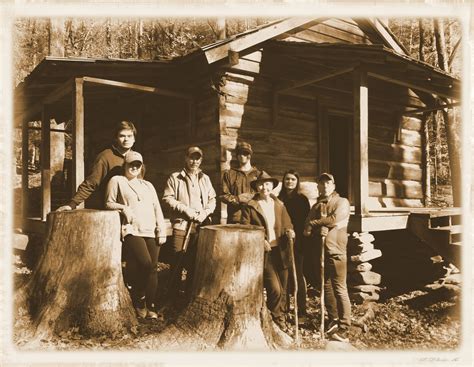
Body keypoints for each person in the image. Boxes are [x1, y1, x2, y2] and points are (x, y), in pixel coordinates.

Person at [105, 151, 167, 319]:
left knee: (153, 268)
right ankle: (139, 298)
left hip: (151, 230)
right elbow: (109, 202)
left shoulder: (148, 185)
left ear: (141, 167)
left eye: (137, 165)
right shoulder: (117, 181)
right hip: (132, 229)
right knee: (145, 263)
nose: (134, 167)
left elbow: (157, 208)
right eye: (131, 164)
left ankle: (151, 307)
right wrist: (123, 208)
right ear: (125, 165)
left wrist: (161, 229)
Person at [241, 171, 295, 330]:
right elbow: (246, 229)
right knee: (275, 288)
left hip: (281, 250)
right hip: (264, 253)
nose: (264, 187)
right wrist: (260, 241)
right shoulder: (250, 206)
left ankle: (281, 319)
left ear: (272, 186)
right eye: (261, 184)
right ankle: (275, 320)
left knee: (284, 288)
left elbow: (288, 224)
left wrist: (290, 232)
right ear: (257, 187)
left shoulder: (279, 205)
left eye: (267, 184)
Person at [162, 146, 216, 303]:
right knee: (177, 261)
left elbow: (212, 199)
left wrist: (205, 213)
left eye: (197, 158)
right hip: (182, 225)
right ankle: (172, 299)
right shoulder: (175, 177)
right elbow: (168, 198)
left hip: (201, 226)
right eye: (191, 158)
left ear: (201, 160)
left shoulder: (205, 178)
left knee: (195, 264)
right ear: (185, 158)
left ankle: (190, 298)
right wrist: (187, 210)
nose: (194, 161)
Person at [304, 173, 351, 342]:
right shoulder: (317, 205)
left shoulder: (342, 202)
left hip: (336, 250)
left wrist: (316, 224)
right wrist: (316, 228)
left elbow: (334, 219)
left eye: (328, 183)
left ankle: (345, 327)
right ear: (318, 187)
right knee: (327, 285)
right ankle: (334, 319)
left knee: (340, 287)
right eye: (321, 183)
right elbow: (307, 227)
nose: (324, 186)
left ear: (334, 185)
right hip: (321, 250)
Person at [57, 120, 137, 211]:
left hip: (133, 208)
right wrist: (72, 204)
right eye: (122, 136)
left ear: (134, 139)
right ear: (116, 138)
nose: (126, 139)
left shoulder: (136, 159)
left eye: (130, 136)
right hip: (112, 209)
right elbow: (91, 183)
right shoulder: (106, 157)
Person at [278, 170, 311, 321]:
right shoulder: (279, 199)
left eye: (292, 179)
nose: (289, 182)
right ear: (283, 181)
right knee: (283, 276)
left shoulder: (302, 200)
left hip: (298, 243)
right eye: (287, 179)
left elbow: (306, 221)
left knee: (297, 275)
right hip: (281, 242)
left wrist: (299, 237)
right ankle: (284, 309)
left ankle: (302, 310)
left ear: (297, 182)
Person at [220, 141, 261, 224]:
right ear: (237, 156)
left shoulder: (258, 175)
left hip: (255, 218)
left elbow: (263, 195)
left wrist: (252, 198)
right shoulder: (229, 174)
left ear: (250, 155)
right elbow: (223, 195)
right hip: (236, 218)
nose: (243, 156)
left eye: (246, 153)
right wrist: (237, 199)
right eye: (240, 153)